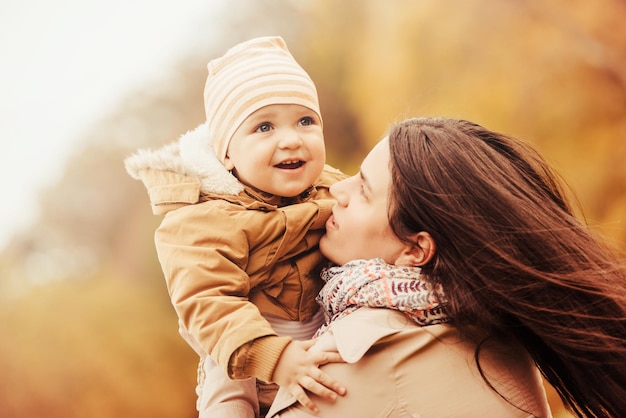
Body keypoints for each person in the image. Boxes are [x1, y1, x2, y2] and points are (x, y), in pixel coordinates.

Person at [267, 117, 626, 417]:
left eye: (364, 190)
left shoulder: (360, 351)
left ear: (416, 248)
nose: (337, 191)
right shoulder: (487, 327)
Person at [125, 36, 349, 418]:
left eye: (306, 120)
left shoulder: (334, 187)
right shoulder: (201, 218)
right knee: (227, 396)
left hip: (320, 331)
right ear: (227, 153)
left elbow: (381, 218)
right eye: (264, 127)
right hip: (242, 348)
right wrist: (274, 358)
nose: (292, 139)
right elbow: (207, 302)